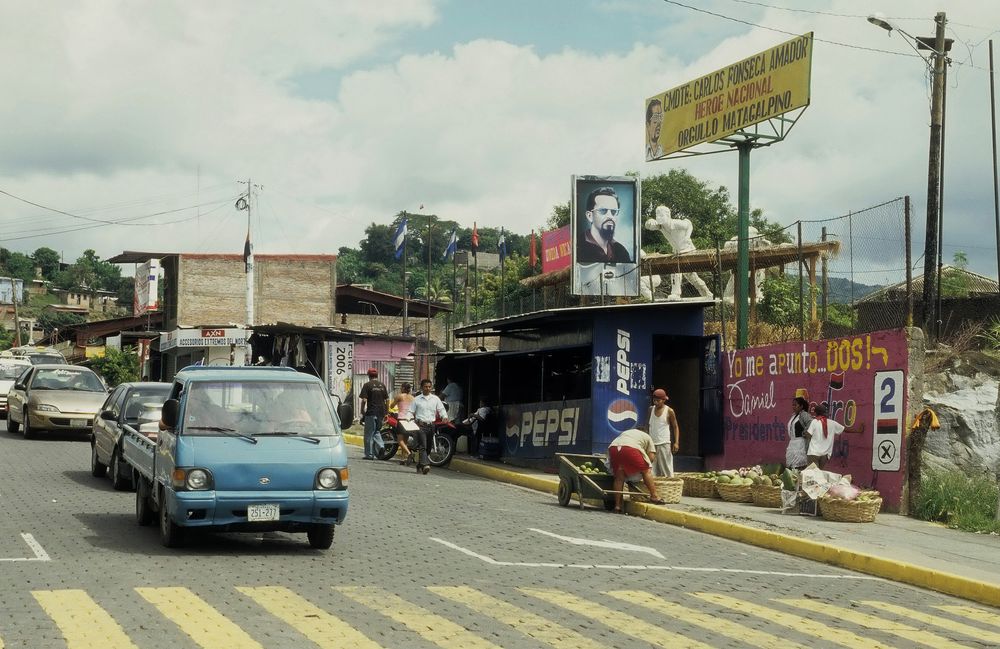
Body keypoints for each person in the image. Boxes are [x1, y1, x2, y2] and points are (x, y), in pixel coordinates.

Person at [644, 205, 712, 300]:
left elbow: (689, 224)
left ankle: (677, 293)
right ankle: (707, 294)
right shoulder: (661, 226)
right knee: (690, 277)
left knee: (679, 270)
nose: (659, 217)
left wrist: (687, 236)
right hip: (677, 252)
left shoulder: (675, 223)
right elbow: (649, 226)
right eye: (657, 215)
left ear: (667, 215)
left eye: (661, 215)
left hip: (687, 250)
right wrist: (649, 221)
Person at [608, 428, 666, 513]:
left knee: (619, 477)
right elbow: (651, 458)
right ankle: (654, 496)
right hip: (630, 449)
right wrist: (643, 468)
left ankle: (617, 506)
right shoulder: (647, 437)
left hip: (613, 448)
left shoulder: (627, 432)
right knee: (646, 471)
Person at [578, 187, 632, 264]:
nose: (610, 216)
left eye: (613, 212)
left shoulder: (621, 251)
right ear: (590, 216)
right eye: (603, 210)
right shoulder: (578, 247)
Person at [411, 378, 448, 475]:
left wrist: (444, 416)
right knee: (423, 446)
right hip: (420, 425)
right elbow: (411, 411)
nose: (428, 389)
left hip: (431, 426)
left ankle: (420, 465)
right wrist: (408, 419)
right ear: (422, 387)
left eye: (429, 387)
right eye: (425, 387)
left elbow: (441, 409)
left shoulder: (435, 399)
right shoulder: (416, 399)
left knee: (428, 448)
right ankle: (426, 464)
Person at [646, 388, 680, 477]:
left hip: (664, 444)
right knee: (651, 470)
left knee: (666, 470)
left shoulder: (669, 411)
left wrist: (676, 442)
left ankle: (669, 487)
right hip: (652, 445)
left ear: (664, 400)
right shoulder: (650, 409)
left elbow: (675, 427)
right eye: (654, 400)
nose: (656, 402)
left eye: (658, 400)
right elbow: (647, 426)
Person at [358, 368, 388, 460]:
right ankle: (381, 446)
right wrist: (386, 412)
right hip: (381, 412)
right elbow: (387, 400)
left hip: (371, 412)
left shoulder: (367, 385)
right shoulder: (382, 385)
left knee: (369, 434)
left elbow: (364, 399)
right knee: (377, 431)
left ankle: (369, 455)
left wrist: (362, 410)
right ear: (377, 375)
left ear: (368, 375)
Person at [805, 403, 844, 469]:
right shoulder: (832, 423)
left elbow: (808, 435)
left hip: (813, 453)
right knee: (820, 475)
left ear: (816, 413)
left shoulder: (814, 421)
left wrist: (805, 433)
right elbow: (844, 429)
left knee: (812, 475)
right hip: (825, 455)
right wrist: (858, 430)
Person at [389, 382, 415, 464]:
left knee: (400, 440)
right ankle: (403, 459)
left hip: (402, 419)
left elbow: (392, 406)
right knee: (405, 441)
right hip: (410, 419)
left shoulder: (400, 396)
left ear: (403, 388)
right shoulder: (412, 398)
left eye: (401, 387)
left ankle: (409, 453)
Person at [785, 396, 812, 470]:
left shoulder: (804, 414)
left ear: (801, 406)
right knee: (791, 465)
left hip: (800, 443)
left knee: (799, 465)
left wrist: (805, 433)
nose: (793, 407)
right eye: (792, 405)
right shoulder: (794, 416)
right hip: (792, 443)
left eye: (795, 405)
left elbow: (810, 422)